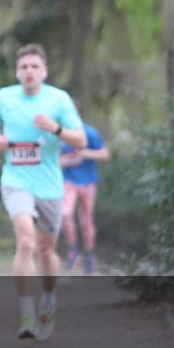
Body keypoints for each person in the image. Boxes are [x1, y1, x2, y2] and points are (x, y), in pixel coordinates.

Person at [0, 44, 85, 342]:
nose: (29, 71)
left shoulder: (58, 99)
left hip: (50, 185)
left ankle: (49, 299)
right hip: (16, 180)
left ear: (44, 71)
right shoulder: (5, 97)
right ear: (17, 70)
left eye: (34, 67)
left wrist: (55, 129)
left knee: (45, 250)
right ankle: (27, 314)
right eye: (24, 66)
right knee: (25, 242)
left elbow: (78, 140)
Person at [60, 113, 110, 275]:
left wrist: (84, 153)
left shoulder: (90, 132)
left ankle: (89, 253)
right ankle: (73, 250)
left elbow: (104, 155)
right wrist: (67, 160)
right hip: (69, 181)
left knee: (86, 221)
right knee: (65, 214)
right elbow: (54, 160)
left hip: (88, 182)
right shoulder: (60, 135)